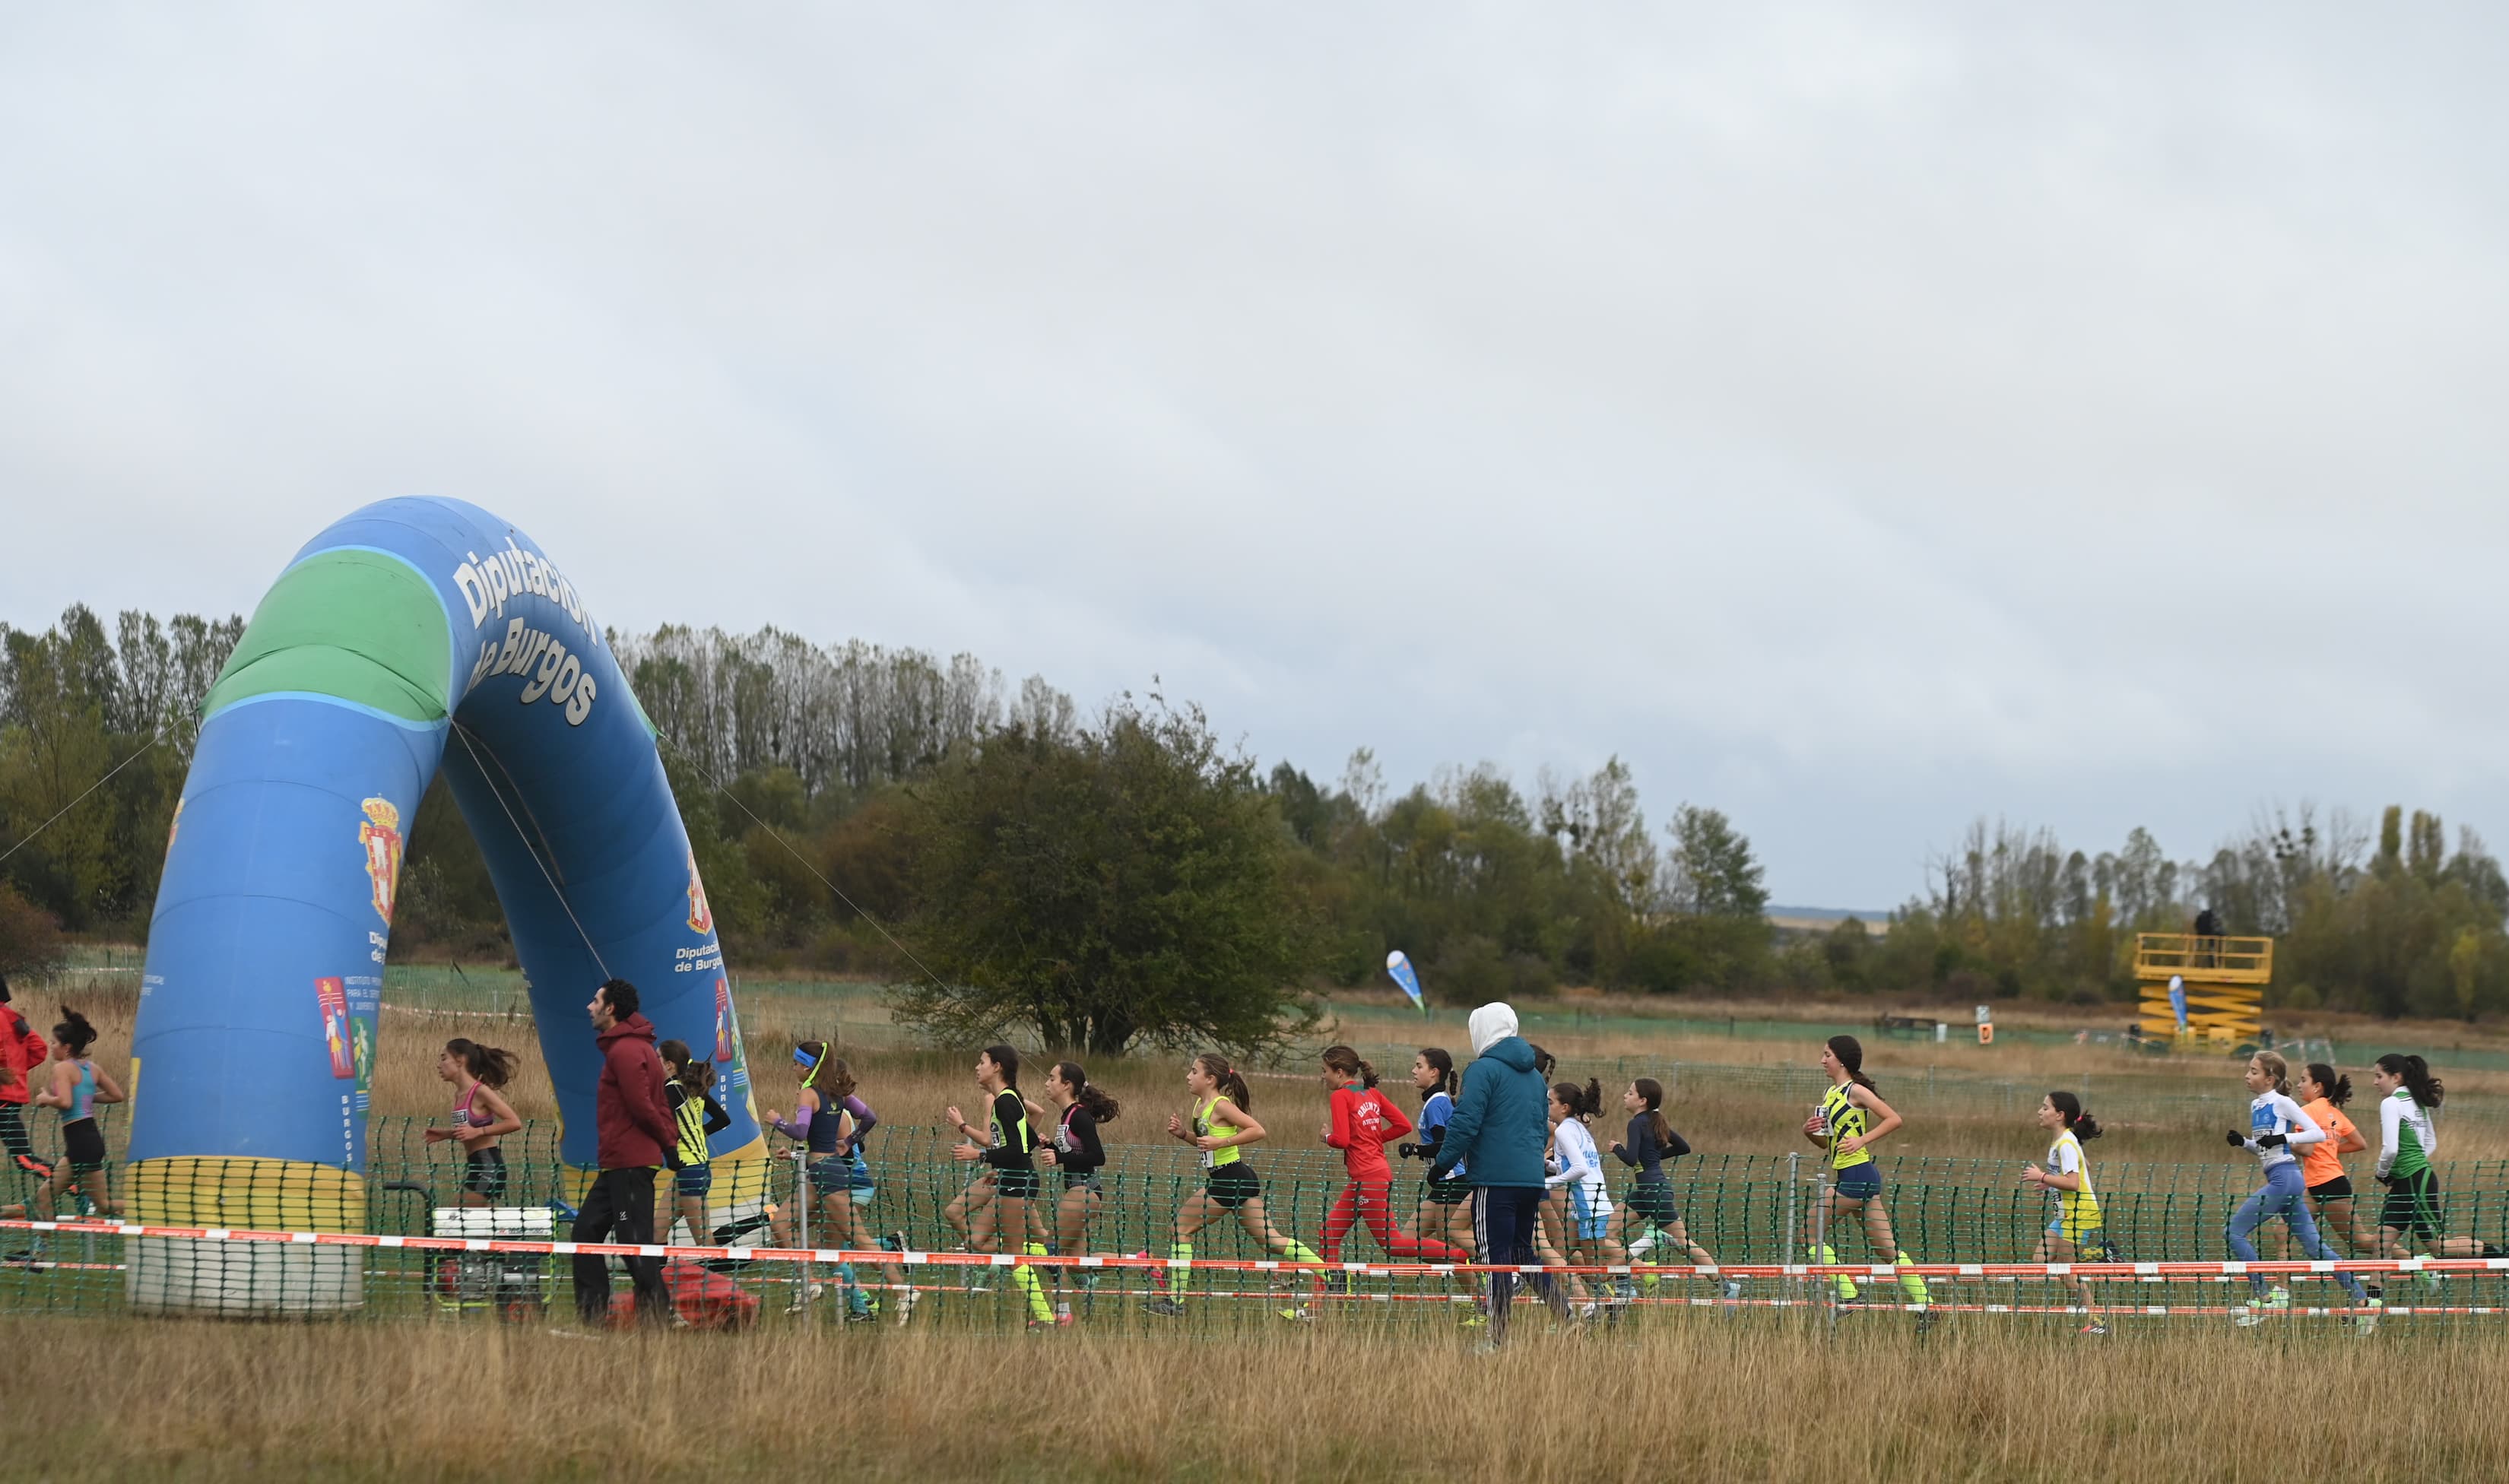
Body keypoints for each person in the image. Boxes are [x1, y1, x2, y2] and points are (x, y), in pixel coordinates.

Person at [1140, 1051, 1324, 1321]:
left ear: (1210, 1079)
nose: (1188, 1076)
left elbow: (1257, 1130)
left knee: (1180, 1228)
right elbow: (1206, 1143)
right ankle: (1332, 1274)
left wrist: (1222, 1143)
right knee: (1270, 1240)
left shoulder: (1221, 1105)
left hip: (1231, 1178)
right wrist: (1183, 1135)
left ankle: (1176, 1301)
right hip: (1232, 1178)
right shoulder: (1199, 1106)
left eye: (1194, 1071)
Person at [1429, 1003, 1568, 1351]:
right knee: (1524, 1253)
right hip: (1531, 1180)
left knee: (1494, 1258)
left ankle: (1497, 1339)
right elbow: (1541, 1129)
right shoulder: (1535, 1078)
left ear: (1483, 1030)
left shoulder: (1482, 1070)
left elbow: (1465, 1123)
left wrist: (1441, 1165)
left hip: (1495, 1180)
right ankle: (1568, 1319)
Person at [2222, 1050, 2369, 1329]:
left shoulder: (2283, 1102)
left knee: (2233, 1232)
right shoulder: (2256, 1106)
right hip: (2283, 1177)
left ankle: (2263, 1296)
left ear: (2270, 1078)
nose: (2247, 1075)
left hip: (2285, 1179)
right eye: (2248, 1070)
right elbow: (2267, 1149)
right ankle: (2360, 1298)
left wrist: (2285, 1136)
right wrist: (2243, 1142)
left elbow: (2316, 1134)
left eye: (2254, 1071)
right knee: (2314, 1246)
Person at [1316, 1045, 1468, 1294]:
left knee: (1393, 1244)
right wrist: (1371, 1140)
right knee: (1329, 1233)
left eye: (1325, 1071)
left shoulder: (1340, 1096)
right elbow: (1402, 1125)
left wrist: (1326, 1137)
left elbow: (1342, 1140)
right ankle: (1328, 1295)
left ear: (1340, 1072)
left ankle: (1466, 1257)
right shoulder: (1372, 1094)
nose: (1323, 1076)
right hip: (1367, 1178)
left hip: (1369, 1179)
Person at [1803, 1035, 1929, 1322]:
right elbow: (1825, 1144)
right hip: (1858, 1176)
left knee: (1808, 1233)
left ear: (1842, 1061)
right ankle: (1927, 1304)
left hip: (1857, 1176)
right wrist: (1808, 1131)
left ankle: (1849, 1296)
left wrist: (1862, 1140)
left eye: (1827, 1055)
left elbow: (1894, 1119)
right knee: (1887, 1250)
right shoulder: (1830, 1094)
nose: (1822, 1060)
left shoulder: (1855, 1091)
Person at [571, 978, 674, 1327]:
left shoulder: (627, 1051)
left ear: (610, 1008)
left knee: (634, 1243)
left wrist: (668, 1145)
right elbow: (656, 1105)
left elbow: (644, 1107)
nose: (590, 1006)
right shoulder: (631, 1048)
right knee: (585, 1233)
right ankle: (593, 1318)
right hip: (618, 1163)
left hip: (631, 1163)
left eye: (595, 1000)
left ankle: (661, 1319)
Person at [765, 1042, 884, 1321]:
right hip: (833, 1178)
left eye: (795, 1063)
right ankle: (860, 1301)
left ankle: (886, 1276)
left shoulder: (834, 1109)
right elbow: (824, 1147)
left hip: (845, 1182)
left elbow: (833, 1150)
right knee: (831, 1249)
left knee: (837, 1247)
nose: (792, 1068)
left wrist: (778, 1121)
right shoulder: (831, 1105)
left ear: (808, 1068)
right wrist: (796, 1155)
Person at [946, 1045, 1058, 1330]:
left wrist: (980, 1155)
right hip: (1012, 1178)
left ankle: (1045, 1317)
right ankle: (1044, 1253)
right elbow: (1029, 1142)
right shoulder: (1007, 1100)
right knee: (978, 1242)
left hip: (1019, 1182)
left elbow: (1019, 1152)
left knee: (1012, 1255)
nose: (977, 1067)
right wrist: (999, 1168)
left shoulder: (1006, 1101)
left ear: (997, 1067)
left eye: (982, 1062)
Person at [2369, 1053, 2501, 1280]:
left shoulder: (2391, 1103)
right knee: (2381, 1244)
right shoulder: (2416, 1102)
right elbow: (2430, 1142)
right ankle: (2370, 1308)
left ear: (2396, 1077)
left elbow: (2390, 1148)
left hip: (2416, 1182)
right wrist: (2415, 1163)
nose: (2375, 1082)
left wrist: (2382, 1173)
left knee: (2438, 1248)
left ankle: (2500, 1255)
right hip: (2409, 1180)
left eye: (2379, 1076)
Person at [1607, 1077, 1735, 1301]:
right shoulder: (1655, 1120)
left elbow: (1630, 1158)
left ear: (1642, 1101)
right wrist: (1654, 1158)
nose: (1625, 1096)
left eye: (1630, 1093)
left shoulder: (1636, 1123)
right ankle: (1624, 1280)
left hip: (1654, 1192)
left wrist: (1617, 1148)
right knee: (1608, 1230)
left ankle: (1725, 1286)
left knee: (1683, 1242)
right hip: (1645, 1191)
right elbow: (1683, 1147)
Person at [27, 1009, 125, 1241]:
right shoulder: (92, 1068)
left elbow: (65, 1102)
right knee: (101, 1204)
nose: (51, 1046)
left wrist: (44, 1099)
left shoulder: (61, 1068)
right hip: (88, 1140)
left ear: (67, 1047)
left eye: (53, 1042)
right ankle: (38, 1255)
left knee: (46, 1196)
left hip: (80, 1141)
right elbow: (116, 1095)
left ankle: (38, 1255)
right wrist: (88, 1096)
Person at [1034, 1060, 1118, 1324]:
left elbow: (1097, 1156)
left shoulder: (1080, 1115)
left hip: (1085, 1192)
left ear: (1066, 1085)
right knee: (1075, 1262)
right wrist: (1051, 1148)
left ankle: (1061, 1315)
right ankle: (1143, 1261)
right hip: (1076, 1191)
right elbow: (1075, 1153)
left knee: (1050, 1251)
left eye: (1051, 1078)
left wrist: (1058, 1159)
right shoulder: (1067, 1115)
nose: (1047, 1084)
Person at [2019, 1092, 2107, 1335]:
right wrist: (2050, 1184)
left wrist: (2043, 1177)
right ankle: (2096, 1258)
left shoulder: (2067, 1143)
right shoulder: (2064, 1141)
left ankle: (2097, 1322)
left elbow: (2074, 1183)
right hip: (2064, 1215)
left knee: (2067, 1272)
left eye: (2045, 1107)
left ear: (2059, 1116)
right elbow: (2085, 1166)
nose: (2040, 1111)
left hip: (2079, 1214)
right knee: (2040, 1262)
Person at [1543, 1077, 1616, 1314]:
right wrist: (1546, 1166)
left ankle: (1616, 1294)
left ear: (1564, 1107)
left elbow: (1580, 1169)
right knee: (1556, 1258)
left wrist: (1549, 1182)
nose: (1547, 1107)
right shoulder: (1576, 1127)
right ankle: (1576, 1309)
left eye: (1550, 1102)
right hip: (1586, 1204)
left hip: (1589, 1206)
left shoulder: (1564, 1130)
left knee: (1594, 1270)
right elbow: (1573, 1168)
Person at [423, 1038, 521, 1207]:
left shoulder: (481, 1091)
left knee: (455, 1218)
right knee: (476, 1227)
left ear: (460, 1060)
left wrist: (479, 1132)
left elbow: (514, 1122)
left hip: (489, 1167)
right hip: (476, 1166)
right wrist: (446, 1134)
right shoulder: (459, 1094)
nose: (439, 1065)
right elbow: (469, 1130)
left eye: (444, 1058)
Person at [658, 1038, 729, 1245]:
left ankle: (759, 1222)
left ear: (669, 1064)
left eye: (657, 1059)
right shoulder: (693, 1088)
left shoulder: (672, 1088)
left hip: (691, 1171)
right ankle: (656, 1279)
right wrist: (697, 1133)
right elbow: (723, 1119)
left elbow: (666, 1129)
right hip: (696, 1169)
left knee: (705, 1244)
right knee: (656, 1233)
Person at [0, 975, 52, 1188]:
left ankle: (76, 1187)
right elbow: (40, 1049)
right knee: (24, 1159)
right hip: (10, 1097)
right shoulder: (12, 1017)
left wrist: (9, 1073)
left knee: (25, 1160)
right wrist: (18, 1073)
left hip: (2, 1098)